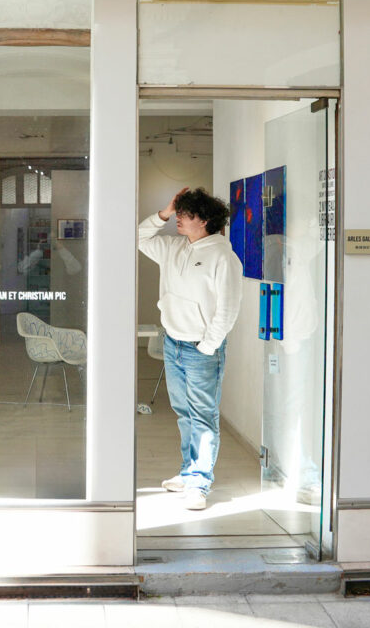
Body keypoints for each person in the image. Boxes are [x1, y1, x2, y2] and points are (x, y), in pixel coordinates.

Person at [138, 187, 243, 510]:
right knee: (184, 413)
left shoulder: (223, 257)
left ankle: (199, 483)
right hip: (173, 342)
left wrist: (208, 346)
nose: (179, 219)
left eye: (186, 214)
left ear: (207, 220)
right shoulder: (173, 247)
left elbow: (227, 308)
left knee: (203, 415)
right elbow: (140, 238)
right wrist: (165, 212)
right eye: (179, 213)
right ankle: (187, 472)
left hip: (200, 348)